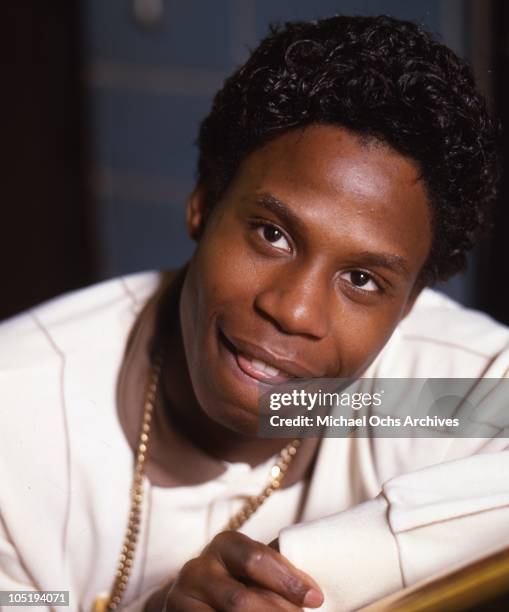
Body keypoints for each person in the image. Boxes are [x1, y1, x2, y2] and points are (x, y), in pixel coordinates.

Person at [1, 13, 508, 612]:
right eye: (272, 234)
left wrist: (320, 567)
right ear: (203, 204)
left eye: (363, 279)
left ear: (408, 307)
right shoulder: (22, 414)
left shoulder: (424, 394)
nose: (294, 310)